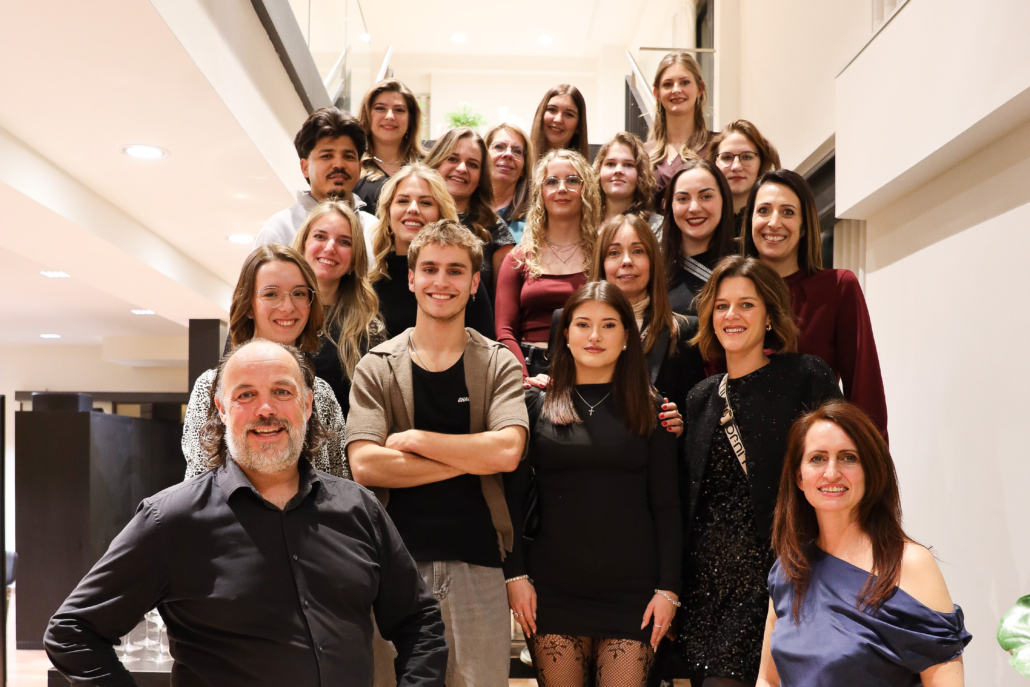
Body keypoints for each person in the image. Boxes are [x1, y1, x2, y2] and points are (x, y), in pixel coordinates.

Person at [46, 339, 449, 687]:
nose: (265, 409)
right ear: (221, 409)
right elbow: (72, 631)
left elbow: (419, 623)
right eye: (245, 395)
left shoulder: (359, 509)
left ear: (308, 405)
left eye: (282, 391)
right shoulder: (171, 520)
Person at [347, 219, 529, 687]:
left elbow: (507, 451)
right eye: (429, 269)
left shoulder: (498, 363)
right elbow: (365, 465)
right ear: (411, 279)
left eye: (455, 270)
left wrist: (415, 440)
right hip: (395, 569)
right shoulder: (376, 366)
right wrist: (470, 457)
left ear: (474, 283)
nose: (441, 281)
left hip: (479, 567)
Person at [504, 281, 681, 687]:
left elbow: (667, 506)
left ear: (627, 338)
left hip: (634, 593)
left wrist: (669, 589)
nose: (595, 336)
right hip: (553, 589)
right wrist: (515, 575)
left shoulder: (653, 409)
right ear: (565, 334)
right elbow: (510, 497)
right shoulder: (535, 404)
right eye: (583, 324)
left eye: (609, 325)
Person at [678, 255, 843, 686]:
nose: (731, 315)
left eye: (746, 304)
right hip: (706, 589)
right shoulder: (699, 398)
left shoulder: (806, 376)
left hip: (779, 578)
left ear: (770, 315)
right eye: (721, 306)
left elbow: (841, 465)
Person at [757, 400, 971, 686]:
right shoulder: (788, 569)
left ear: (870, 470)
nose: (831, 473)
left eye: (848, 458)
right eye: (818, 458)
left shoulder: (910, 564)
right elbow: (768, 679)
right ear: (799, 476)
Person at [742, 169, 888, 438]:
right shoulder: (731, 295)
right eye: (763, 210)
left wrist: (871, 457)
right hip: (740, 452)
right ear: (750, 220)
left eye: (787, 212)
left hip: (814, 451)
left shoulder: (838, 288)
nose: (774, 222)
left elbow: (865, 391)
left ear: (804, 226)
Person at [181, 244, 348, 479]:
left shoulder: (322, 394)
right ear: (249, 306)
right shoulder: (210, 387)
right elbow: (198, 483)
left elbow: (339, 483)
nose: (288, 307)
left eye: (299, 293)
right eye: (271, 294)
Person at [495, 149, 600, 377]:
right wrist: (524, 380)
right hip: (527, 370)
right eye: (551, 181)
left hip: (586, 369)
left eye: (572, 180)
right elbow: (504, 331)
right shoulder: (517, 258)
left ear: (587, 190)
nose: (562, 188)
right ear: (541, 192)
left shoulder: (602, 255)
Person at [369, 163, 496, 339]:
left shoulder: (461, 276)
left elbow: (485, 343)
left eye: (426, 202)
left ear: (440, 215)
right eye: (403, 201)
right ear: (388, 212)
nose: (413, 209)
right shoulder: (372, 282)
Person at [291, 200, 386, 418]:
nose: (330, 247)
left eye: (344, 242)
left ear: (354, 260)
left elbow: (374, 409)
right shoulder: (273, 312)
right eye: (320, 236)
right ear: (303, 244)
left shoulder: (368, 329)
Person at [255, 107, 377, 262]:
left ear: (359, 168)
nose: (339, 164)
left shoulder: (374, 230)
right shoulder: (280, 229)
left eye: (348, 157)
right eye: (327, 156)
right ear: (305, 167)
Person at [425, 127, 515, 302]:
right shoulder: (415, 216)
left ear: (481, 177)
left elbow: (504, 304)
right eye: (453, 159)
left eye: (472, 165)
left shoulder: (494, 228)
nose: (461, 169)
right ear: (436, 162)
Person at [660, 159, 737, 315]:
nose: (694, 208)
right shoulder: (654, 269)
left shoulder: (745, 263)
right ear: (670, 206)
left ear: (724, 200)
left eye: (706, 196)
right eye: (683, 199)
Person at [646, 52, 714, 208]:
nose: (676, 90)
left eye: (684, 82)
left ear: (700, 88)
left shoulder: (716, 147)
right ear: (657, 93)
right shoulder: (643, 153)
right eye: (668, 84)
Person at [354, 79, 426, 214]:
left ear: (410, 119)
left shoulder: (427, 166)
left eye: (399, 110)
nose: (390, 116)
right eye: (380, 108)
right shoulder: (353, 167)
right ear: (367, 115)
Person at [706, 120, 780, 234]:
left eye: (747, 157)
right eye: (727, 157)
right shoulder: (702, 217)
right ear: (714, 162)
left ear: (761, 162)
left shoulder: (776, 218)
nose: (736, 167)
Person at [594, 132, 663, 237]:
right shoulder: (583, 222)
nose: (618, 171)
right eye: (610, 164)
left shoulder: (657, 226)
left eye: (628, 165)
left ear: (641, 174)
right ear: (599, 171)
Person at [486, 123, 535, 243]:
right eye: (499, 147)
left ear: (523, 169)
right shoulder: (464, 208)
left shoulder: (534, 221)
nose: (508, 154)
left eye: (517, 151)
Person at [530, 84, 591, 163]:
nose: (558, 120)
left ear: (578, 126)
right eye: (552, 110)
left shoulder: (586, 171)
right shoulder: (519, 164)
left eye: (569, 114)